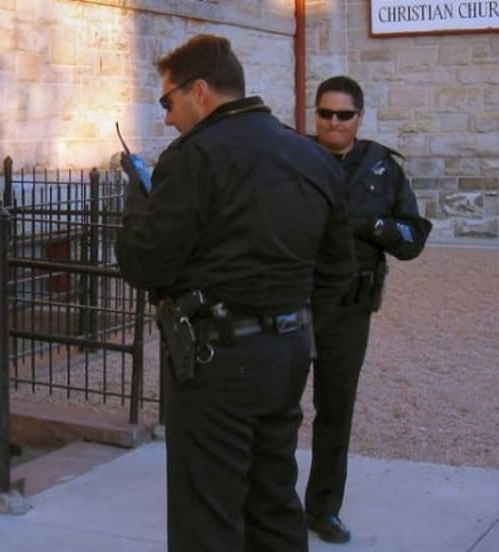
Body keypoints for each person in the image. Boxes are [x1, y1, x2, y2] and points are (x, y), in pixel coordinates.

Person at [116, 35, 356, 552]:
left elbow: (147, 262)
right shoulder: (312, 157)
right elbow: (339, 268)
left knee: (208, 514)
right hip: (285, 352)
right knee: (273, 501)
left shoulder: (193, 157)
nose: (167, 118)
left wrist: (137, 205)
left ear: (200, 90)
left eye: (168, 101)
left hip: (216, 359)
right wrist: (288, 318)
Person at [303, 75, 432, 544]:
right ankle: (269, 506)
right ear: (315, 114)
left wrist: (372, 225)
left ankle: (323, 509)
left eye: (344, 115)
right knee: (274, 407)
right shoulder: (294, 158)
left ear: (360, 117)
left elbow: (412, 239)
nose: (333, 123)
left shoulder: (382, 168)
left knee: (335, 410)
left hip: (348, 307)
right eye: (325, 113)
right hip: (294, 299)